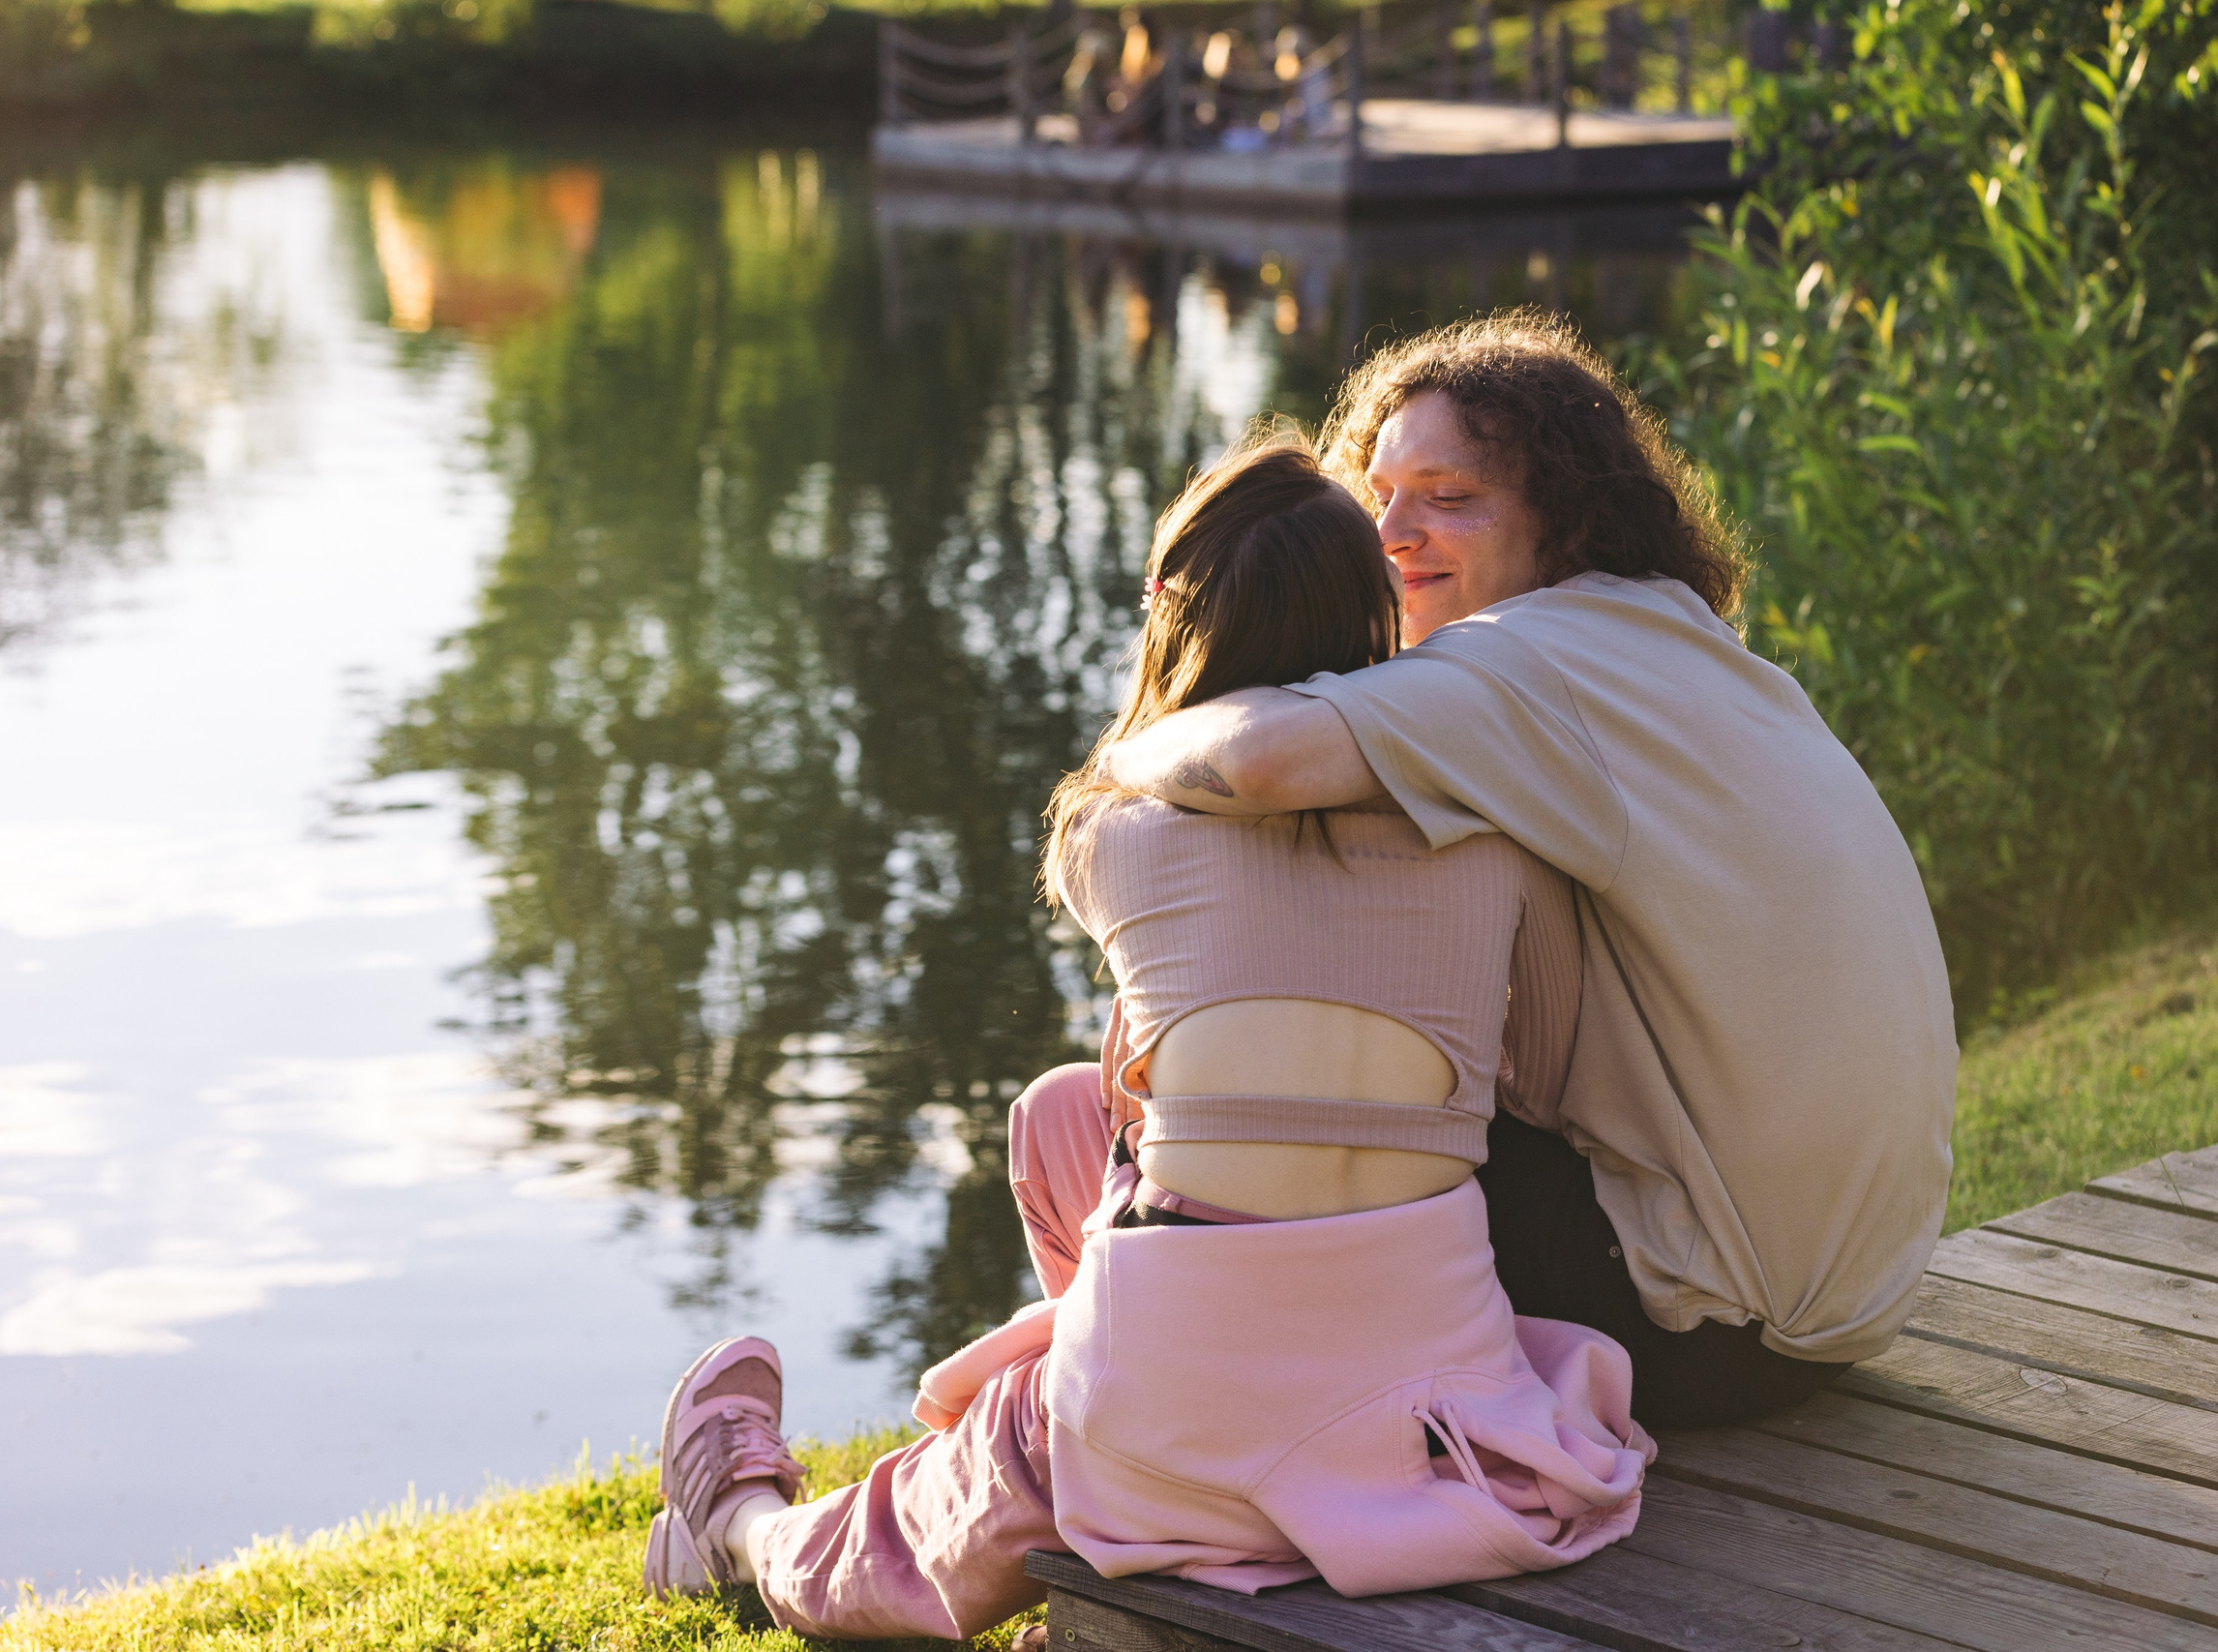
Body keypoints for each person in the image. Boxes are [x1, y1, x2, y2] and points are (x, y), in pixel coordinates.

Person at [639, 436, 1655, 1639]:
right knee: (1071, 1110)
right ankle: (1160, 1391)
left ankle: (737, 1525)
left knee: (925, 1527)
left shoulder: (1107, 837)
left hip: (1168, 1412)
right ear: (1377, 626)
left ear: (1176, 620)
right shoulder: (1493, 842)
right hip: (1423, 1408)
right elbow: (1532, 1079)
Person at [1098, 312, 1958, 1428]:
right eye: (1378, 498)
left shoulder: (1522, 663)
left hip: (1698, 1319)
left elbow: (1257, 762)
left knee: (1281, 1126)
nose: (1393, 534)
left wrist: (1121, 753)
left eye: (1450, 500)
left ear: (1563, 521)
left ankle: (1167, 1420)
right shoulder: (1664, 640)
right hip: (1832, 1306)